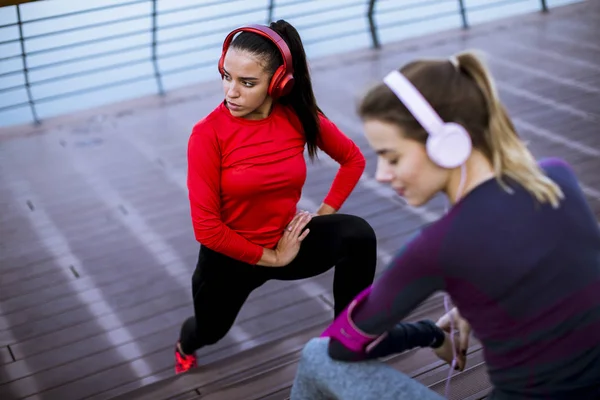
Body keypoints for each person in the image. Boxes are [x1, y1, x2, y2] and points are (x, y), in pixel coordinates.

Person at [290, 49, 600, 400]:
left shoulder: (438, 247)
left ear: (446, 144)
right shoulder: (558, 178)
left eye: (392, 157)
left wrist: (430, 334)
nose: (381, 174)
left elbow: (341, 345)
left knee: (316, 355)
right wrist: (478, 308)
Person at [174, 20, 381, 374]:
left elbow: (352, 159)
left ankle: (346, 342)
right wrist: (272, 258)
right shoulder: (207, 134)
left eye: (247, 82)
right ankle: (184, 346)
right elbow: (207, 229)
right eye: (226, 76)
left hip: (288, 240)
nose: (230, 92)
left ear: (278, 83)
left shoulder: (297, 117)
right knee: (208, 330)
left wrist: (322, 215)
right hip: (229, 259)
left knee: (358, 236)